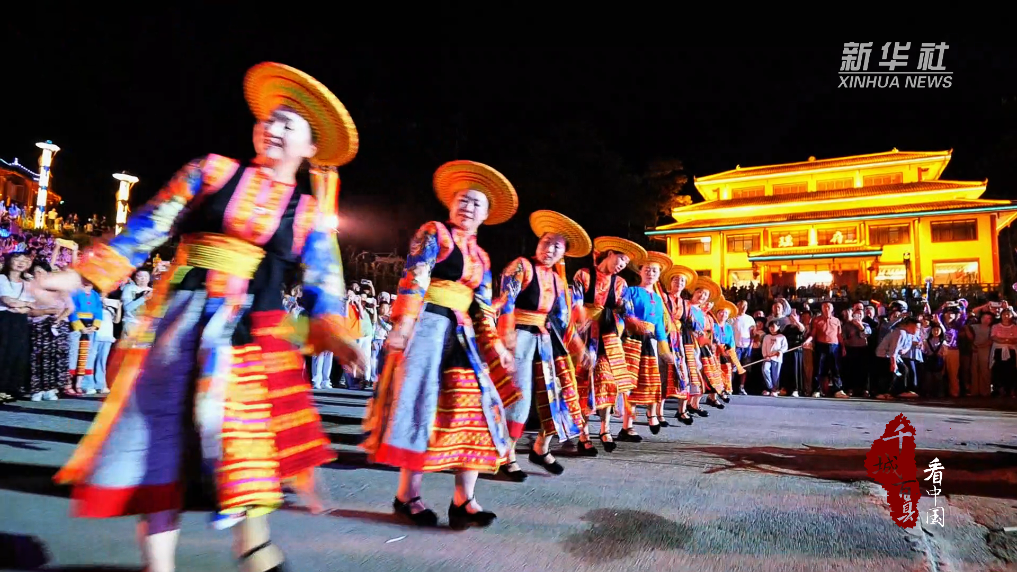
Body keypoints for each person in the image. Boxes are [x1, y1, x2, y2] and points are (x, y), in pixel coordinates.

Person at [30, 62, 366, 572]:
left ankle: (253, 547)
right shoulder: (211, 171)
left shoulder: (309, 213)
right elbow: (147, 228)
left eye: (288, 124)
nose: (273, 128)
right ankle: (160, 565)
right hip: (179, 325)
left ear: (311, 147)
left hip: (252, 340)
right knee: (159, 440)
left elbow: (325, 280)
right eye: (268, 119)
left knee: (245, 445)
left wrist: (336, 334)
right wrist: (78, 278)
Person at [362, 160, 518, 530]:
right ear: (451, 204)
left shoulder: (481, 257)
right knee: (420, 405)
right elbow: (415, 276)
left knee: (477, 408)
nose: (468, 207)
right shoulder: (434, 233)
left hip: (462, 335)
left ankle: (464, 500)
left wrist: (497, 347)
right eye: (463, 199)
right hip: (428, 327)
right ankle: (407, 496)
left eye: (477, 203)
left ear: (486, 215)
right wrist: (403, 325)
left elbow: (483, 306)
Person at [492, 210, 593, 479]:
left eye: (557, 247)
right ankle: (507, 456)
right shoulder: (521, 267)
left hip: (545, 339)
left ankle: (541, 447)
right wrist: (506, 338)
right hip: (520, 335)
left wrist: (579, 349)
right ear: (538, 243)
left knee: (560, 393)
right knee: (519, 397)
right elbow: (506, 303)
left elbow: (562, 319)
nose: (550, 249)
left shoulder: (558, 281)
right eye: (546, 242)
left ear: (563, 254)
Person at [572, 237, 646, 453]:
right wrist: (583, 321)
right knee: (584, 384)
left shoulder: (620, 283)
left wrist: (634, 322)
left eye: (626, 263)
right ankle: (583, 433)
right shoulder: (584, 275)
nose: (622, 265)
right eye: (621, 259)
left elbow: (627, 309)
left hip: (609, 336)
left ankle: (605, 429)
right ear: (610, 253)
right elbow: (575, 304)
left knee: (608, 381)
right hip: (585, 335)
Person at [619, 251, 675, 438]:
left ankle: (652, 415)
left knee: (651, 380)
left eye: (655, 271)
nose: (651, 273)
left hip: (650, 343)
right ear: (640, 272)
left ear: (659, 275)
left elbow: (659, 326)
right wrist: (634, 324)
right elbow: (624, 312)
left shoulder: (658, 299)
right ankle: (627, 426)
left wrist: (665, 350)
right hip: (632, 340)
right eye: (647, 269)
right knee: (631, 383)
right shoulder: (631, 291)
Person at [761, 320, 788, 396]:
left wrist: (780, 351)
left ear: (778, 327)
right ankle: (770, 387)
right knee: (765, 369)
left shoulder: (782, 337)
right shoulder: (766, 337)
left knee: (776, 375)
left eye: (773, 326)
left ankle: (775, 389)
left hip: (777, 359)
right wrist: (765, 356)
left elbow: (785, 347)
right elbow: (764, 347)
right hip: (768, 358)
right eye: (770, 326)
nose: (771, 328)